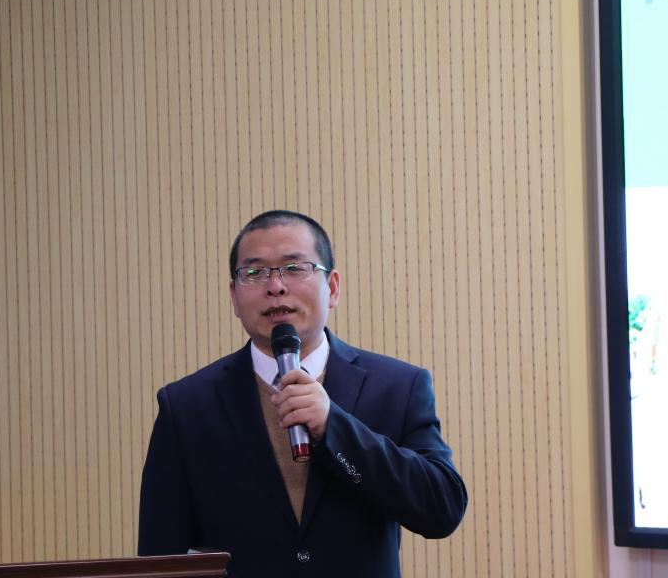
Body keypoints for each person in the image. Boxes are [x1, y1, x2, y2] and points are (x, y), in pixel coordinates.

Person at [137, 210, 467, 577]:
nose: (275, 286)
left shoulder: (397, 386)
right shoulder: (186, 406)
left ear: (333, 288)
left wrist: (334, 425)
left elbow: (442, 508)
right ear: (234, 296)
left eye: (294, 268)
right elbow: (159, 560)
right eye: (254, 273)